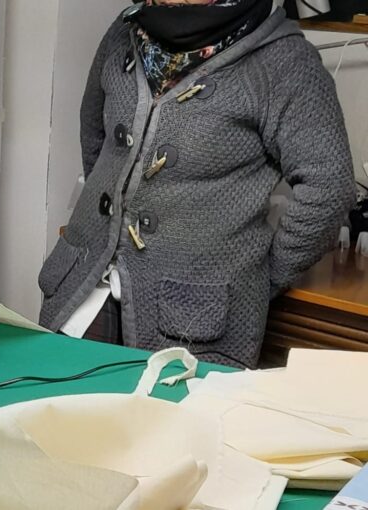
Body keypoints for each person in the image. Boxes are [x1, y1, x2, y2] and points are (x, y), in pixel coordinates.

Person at [37, 0, 355, 369]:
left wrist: (256, 276)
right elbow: (95, 137)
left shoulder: (285, 62)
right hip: (84, 295)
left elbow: (328, 189)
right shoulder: (123, 33)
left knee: (167, 424)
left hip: (193, 319)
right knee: (53, 414)